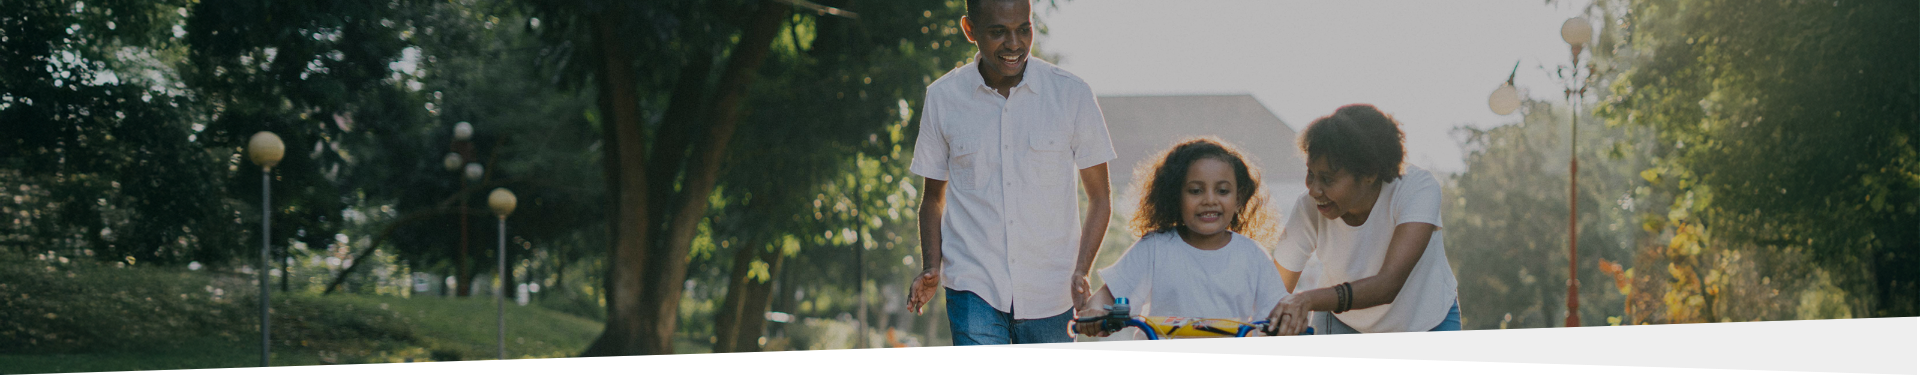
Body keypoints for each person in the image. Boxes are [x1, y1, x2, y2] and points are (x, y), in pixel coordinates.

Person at [902, 0, 1118, 345]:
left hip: (1053, 292)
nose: (1014, 44)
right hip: (973, 286)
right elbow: (933, 200)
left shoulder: (1072, 94)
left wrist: (1081, 269)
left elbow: (1101, 197)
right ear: (970, 30)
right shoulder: (943, 98)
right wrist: (932, 265)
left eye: (1023, 29)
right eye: (998, 32)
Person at [1265, 104, 1462, 335]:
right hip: (1343, 323)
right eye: (1311, 174)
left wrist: (1305, 299)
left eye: (1327, 179)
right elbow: (1275, 292)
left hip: (1426, 322)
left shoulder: (1417, 189)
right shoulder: (1308, 207)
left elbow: (1388, 285)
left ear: (1369, 173)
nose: (1314, 190)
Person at [1074, 138, 1289, 339]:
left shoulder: (1252, 255)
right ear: (1175, 196)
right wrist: (1096, 311)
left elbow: (1277, 311)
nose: (1209, 200)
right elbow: (1109, 296)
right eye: (1196, 191)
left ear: (1239, 198)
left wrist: (1286, 321)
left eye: (1222, 191)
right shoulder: (1155, 248)